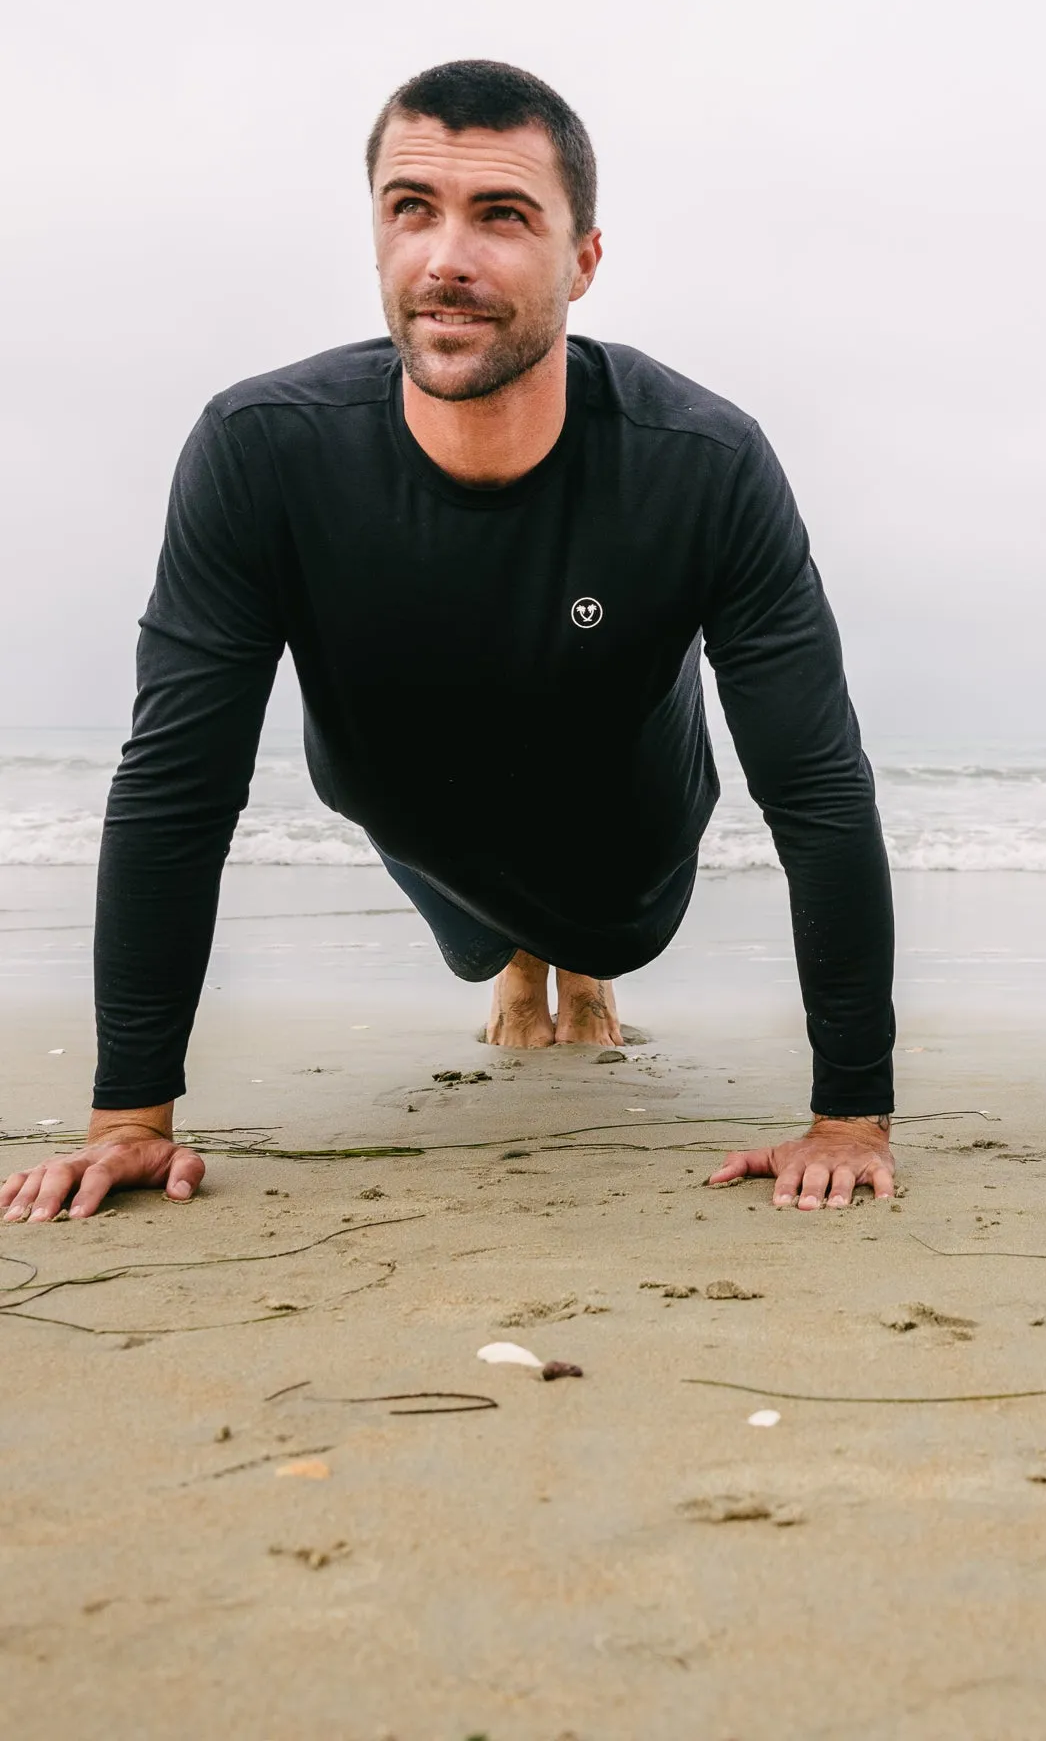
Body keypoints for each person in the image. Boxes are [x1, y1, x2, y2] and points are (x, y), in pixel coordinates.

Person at [3, 60, 897, 1225]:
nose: (445, 257)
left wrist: (849, 1114)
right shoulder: (261, 448)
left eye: (503, 215)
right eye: (410, 207)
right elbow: (176, 785)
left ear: (583, 260)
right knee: (482, 949)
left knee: (605, 925)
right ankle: (524, 960)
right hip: (415, 805)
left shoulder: (703, 462)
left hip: (621, 829)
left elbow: (816, 786)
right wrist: (129, 1116)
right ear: (374, 233)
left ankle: (579, 963)